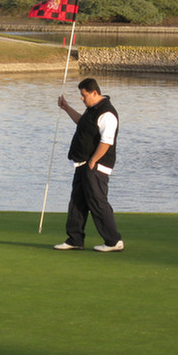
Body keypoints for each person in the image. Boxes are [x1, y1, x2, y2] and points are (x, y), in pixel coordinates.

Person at [53, 78, 124, 252]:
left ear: (94, 93)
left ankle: (114, 241)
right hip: (83, 163)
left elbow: (107, 141)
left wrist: (93, 161)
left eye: (84, 95)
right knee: (77, 201)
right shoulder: (92, 110)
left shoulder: (107, 113)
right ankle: (75, 239)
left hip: (96, 165)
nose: (82, 99)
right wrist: (67, 108)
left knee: (97, 201)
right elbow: (82, 123)